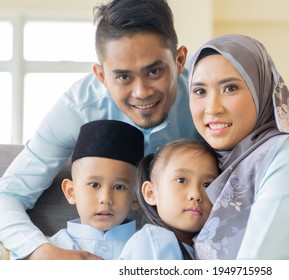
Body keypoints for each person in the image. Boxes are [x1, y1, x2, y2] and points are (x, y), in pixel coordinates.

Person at [0, 0, 199, 260]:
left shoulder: (207, 98)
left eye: (154, 71)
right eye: (123, 77)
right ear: (102, 76)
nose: (142, 92)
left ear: (180, 59)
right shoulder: (78, 109)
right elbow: (9, 194)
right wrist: (40, 252)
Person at [188, 34, 289, 259]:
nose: (212, 108)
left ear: (261, 89)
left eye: (230, 88)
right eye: (200, 91)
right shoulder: (211, 163)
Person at [49, 120, 144, 260]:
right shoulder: (52, 250)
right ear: (71, 191)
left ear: (136, 197)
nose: (105, 198)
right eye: (94, 185)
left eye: (118, 187)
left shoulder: (148, 246)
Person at [118, 139, 220, 260]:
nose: (196, 194)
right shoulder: (156, 241)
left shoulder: (199, 248)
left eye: (207, 185)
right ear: (151, 193)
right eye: (181, 180)